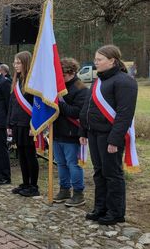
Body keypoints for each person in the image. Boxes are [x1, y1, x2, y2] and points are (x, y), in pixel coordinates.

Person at [80, 45, 137, 225]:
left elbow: (124, 114)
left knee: (112, 174)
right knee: (99, 172)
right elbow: (87, 107)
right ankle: (100, 208)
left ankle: (115, 212)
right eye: (95, 59)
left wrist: (114, 139)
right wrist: (83, 130)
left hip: (110, 135)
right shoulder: (98, 81)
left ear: (112, 61)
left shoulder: (124, 81)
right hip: (94, 133)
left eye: (99, 60)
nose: (95, 63)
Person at [53, 58, 89, 206]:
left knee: (73, 164)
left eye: (63, 75)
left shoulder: (81, 89)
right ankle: (64, 189)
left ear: (72, 72)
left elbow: (77, 112)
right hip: (57, 131)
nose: (61, 78)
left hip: (72, 133)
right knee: (60, 163)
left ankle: (78, 193)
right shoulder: (56, 87)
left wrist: (59, 103)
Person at [7, 51, 40, 196]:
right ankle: (25, 182)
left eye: (19, 62)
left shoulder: (33, 82)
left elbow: (38, 106)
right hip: (17, 124)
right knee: (21, 155)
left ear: (26, 63)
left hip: (28, 125)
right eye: (14, 62)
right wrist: (9, 124)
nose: (15, 65)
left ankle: (34, 185)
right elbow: (12, 104)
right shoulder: (17, 80)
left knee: (30, 155)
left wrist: (35, 125)